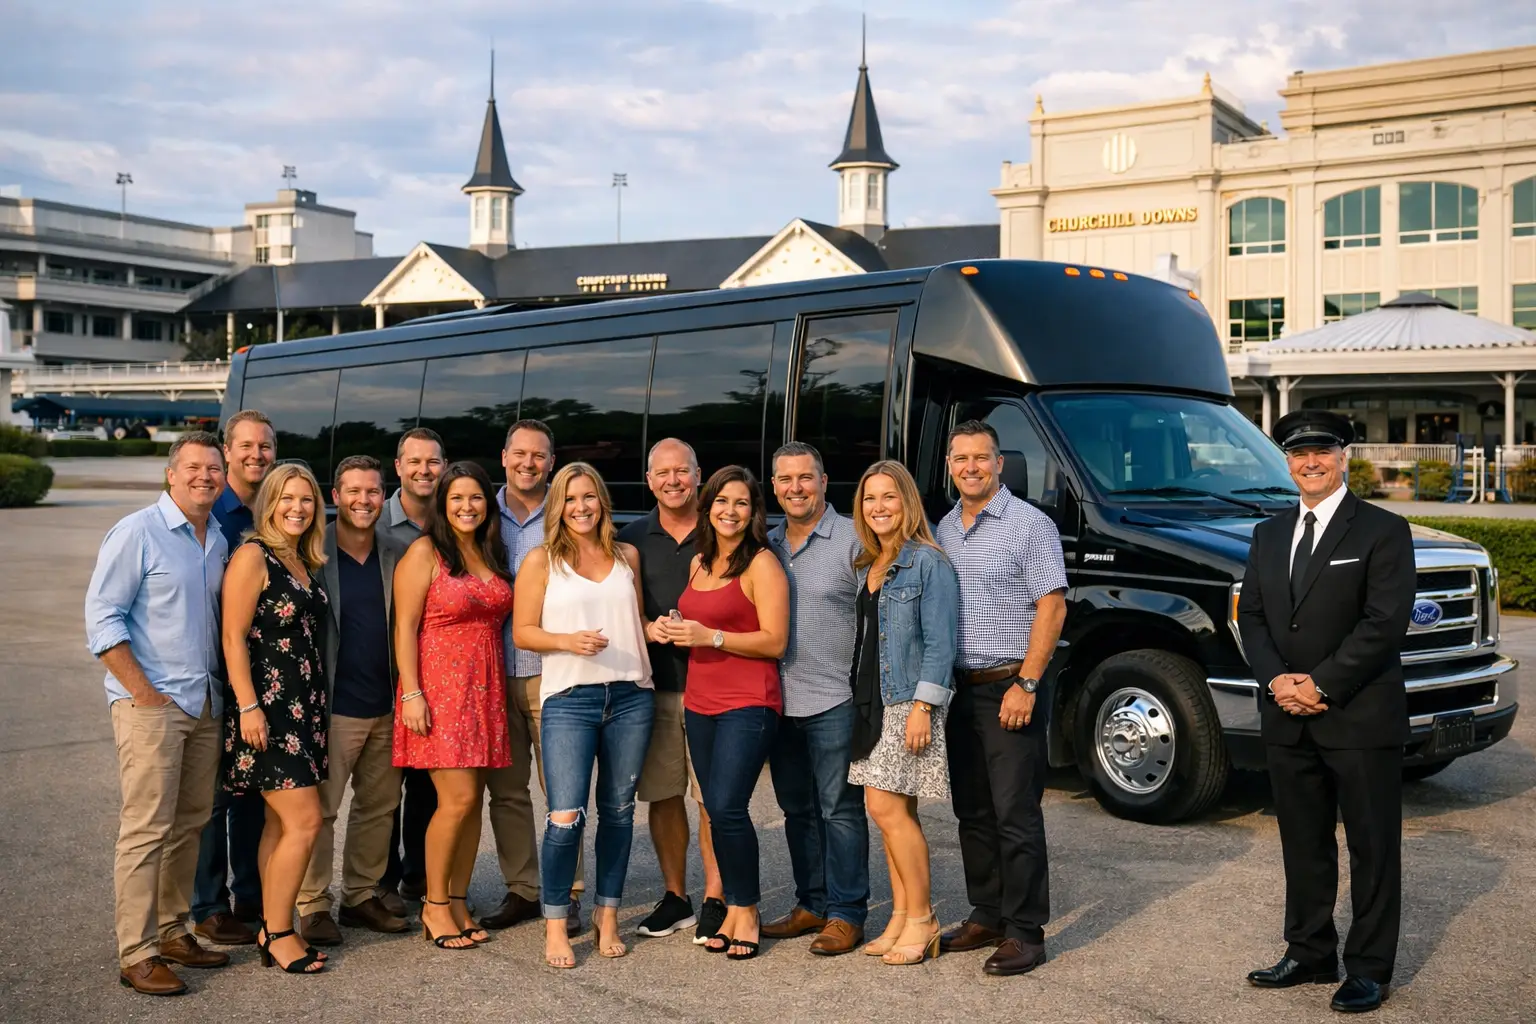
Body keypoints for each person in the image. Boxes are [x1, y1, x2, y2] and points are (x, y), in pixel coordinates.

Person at [1237, 410, 1415, 1015]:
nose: (1310, 462)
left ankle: (1368, 968)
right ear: (1287, 462)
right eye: (1298, 453)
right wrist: (1276, 680)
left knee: (1372, 848)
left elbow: (1384, 623)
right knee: (1303, 843)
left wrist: (1321, 684)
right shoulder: (1268, 534)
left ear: (1343, 457)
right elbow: (1252, 617)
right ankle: (1310, 951)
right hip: (1287, 714)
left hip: (1359, 716)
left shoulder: (1383, 530)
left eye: (1321, 451)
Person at [86, 432, 234, 996]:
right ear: (171, 474)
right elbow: (103, 618)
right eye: (193, 467)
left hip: (205, 703)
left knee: (190, 823)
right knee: (146, 829)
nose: (204, 477)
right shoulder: (137, 532)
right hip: (152, 705)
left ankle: (173, 931)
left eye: (213, 468)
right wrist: (143, 693)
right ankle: (137, 952)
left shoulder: (217, 538)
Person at [936, 419, 1067, 977]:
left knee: (1016, 813)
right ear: (949, 465)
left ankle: (1025, 932)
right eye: (961, 458)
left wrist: (1028, 683)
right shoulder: (944, 527)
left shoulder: (1029, 525)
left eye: (981, 457)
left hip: (1010, 687)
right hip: (958, 690)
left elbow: (1052, 606)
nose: (972, 467)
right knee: (972, 810)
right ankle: (987, 913)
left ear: (999, 463)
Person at [512, 463, 656, 968]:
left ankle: (607, 914)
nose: (581, 507)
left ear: (602, 502)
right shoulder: (542, 561)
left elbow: (636, 619)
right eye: (570, 499)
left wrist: (659, 629)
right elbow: (523, 631)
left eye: (589, 496)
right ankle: (556, 923)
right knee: (565, 815)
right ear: (558, 506)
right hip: (570, 698)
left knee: (618, 812)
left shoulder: (626, 555)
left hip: (632, 696)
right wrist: (567, 641)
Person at [659, 465, 788, 961]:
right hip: (700, 702)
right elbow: (701, 622)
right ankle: (734, 907)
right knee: (715, 809)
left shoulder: (762, 565)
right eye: (721, 501)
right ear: (707, 506)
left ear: (753, 512)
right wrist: (676, 627)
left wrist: (710, 636)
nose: (730, 511)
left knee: (730, 807)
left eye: (741, 503)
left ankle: (746, 910)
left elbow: (774, 641)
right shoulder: (700, 562)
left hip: (748, 702)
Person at [393, 460, 514, 952]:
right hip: (441, 690)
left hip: (485, 689)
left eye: (476, 497)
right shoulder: (425, 552)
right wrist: (412, 693)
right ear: (443, 504)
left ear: (489, 503)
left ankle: (459, 901)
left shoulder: (489, 550)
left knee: (473, 803)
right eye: (457, 498)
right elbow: (404, 628)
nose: (467, 506)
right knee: (456, 801)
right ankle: (434, 904)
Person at [220, 462, 332, 974]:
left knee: (278, 823)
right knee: (306, 821)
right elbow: (233, 637)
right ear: (269, 503)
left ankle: (271, 924)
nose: (297, 508)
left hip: (303, 708)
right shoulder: (253, 555)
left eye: (306, 499)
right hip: (266, 712)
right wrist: (249, 707)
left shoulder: (302, 560)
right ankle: (282, 932)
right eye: (287, 498)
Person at [847, 461, 959, 965]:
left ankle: (923, 919)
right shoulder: (869, 563)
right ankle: (900, 915)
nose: (879, 507)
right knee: (895, 813)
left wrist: (922, 707)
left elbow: (940, 643)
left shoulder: (927, 562)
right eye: (870, 498)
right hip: (871, 699)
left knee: (886, 810)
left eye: (889, 496)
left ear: (907, 502)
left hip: (906, 701)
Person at [294, 455, 410, 946]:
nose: (364, 500)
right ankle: (313, 904)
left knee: (379, 808)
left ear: (384, 496)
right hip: (333, 707)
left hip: (387, 704)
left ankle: (361, 894)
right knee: (321, 812)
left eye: (373, 491)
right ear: (335, 496)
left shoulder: (397, 552)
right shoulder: (310, 552)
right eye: (354, 491)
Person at [762, 442, 870, 955]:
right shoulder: (765, 543)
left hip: (835, 699)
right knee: (796, 809)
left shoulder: (854, 539)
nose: (796, 488)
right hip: (779, 700)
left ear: (824, 482)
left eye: (805, 477)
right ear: (774, 486)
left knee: (840, 810)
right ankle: (812, 902)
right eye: (785, 479)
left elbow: (876, 618)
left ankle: (847, 913)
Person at [620, 438, 725, 944]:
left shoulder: (723, 526)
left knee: (712, 799)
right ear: (649, 480)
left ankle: (716, 897)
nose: (672, 481)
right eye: (662, 473)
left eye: (681, 470)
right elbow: (620, 608)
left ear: (698, 474)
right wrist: (647, 626)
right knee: (663, 795)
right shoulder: (631, 538)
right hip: (655, 687)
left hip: (715, 685)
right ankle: (676, 896)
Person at [483, 419, 583, 937]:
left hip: (557, 675)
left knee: (563, 792)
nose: (528, 463)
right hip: (494, 675)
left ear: (552, 461)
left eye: (539, 455)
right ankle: (523, 888)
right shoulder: (480, 512)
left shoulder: (568, 512)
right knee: (508, 794)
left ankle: (569, 892)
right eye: (519, 453)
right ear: (504, 457)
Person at [192, 409, 274, 948]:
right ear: (226, 450)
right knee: (213, 799)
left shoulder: (272, 511)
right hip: (214, 676)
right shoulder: (208, 510)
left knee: (251, 794)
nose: (256, 455)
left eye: (265, 446)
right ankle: (207, 905)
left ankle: (250, 895)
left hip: (263, 677)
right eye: (245, 445)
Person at [380, 427, 447, 908]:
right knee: (383, 791)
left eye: (433, 462)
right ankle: (378, 885)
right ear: (398, 467)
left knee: (427, 787)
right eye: (415, 462)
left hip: (437, 679)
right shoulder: (373, 521)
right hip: (380, 673)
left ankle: (420, 878)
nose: (424, 470)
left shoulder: (456, 523)